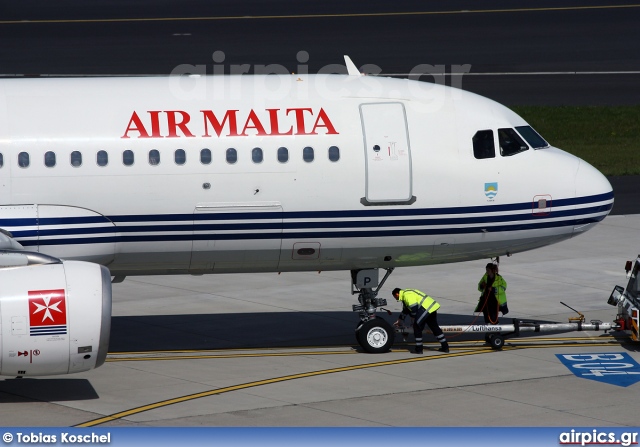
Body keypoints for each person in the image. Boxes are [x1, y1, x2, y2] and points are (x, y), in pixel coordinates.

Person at [392, 288, 449, 354]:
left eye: (395, 297)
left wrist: (413, 318)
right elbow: (405, 310)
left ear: (397, 294)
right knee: (434, 328)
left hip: (426, 309)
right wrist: (399, 320)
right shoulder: (406, 294)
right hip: (431, 308)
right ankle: (445, 347)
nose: (395, 299)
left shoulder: (407, 295)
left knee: (417, 327)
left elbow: (414, 308)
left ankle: (419, 349)